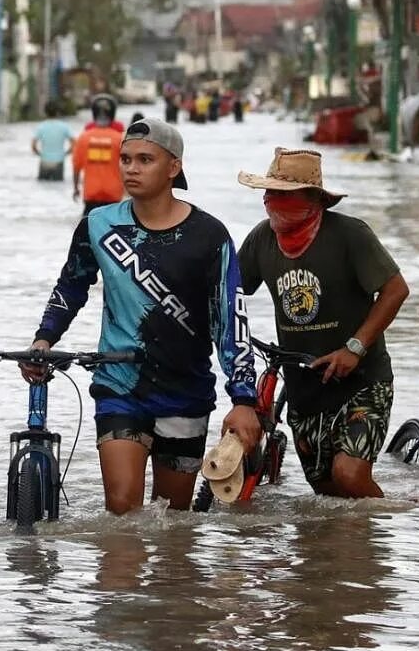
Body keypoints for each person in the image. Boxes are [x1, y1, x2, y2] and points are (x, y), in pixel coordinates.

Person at [25, 116, 261, 515]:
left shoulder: (210, 236)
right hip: (120, 385)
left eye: (145, 160)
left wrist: (243, 397)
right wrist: (44, 339)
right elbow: (72, 285)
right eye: (126, 159)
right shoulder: (98, 225)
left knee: (173, 521)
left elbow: (230, 321)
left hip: (185, 391)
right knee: (122, 511)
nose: (131, 168)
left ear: (174, 168)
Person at [237, 148, 409, 498]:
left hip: (361, 379)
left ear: (313, 199)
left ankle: (389, 532)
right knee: (327, 495)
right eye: (268, 193)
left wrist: (355, 348)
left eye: (283, 194)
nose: (271, 201)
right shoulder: (261, 239)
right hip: (305, 386)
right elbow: (230, 293)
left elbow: (395, 290)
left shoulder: (349, 235)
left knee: (349, 476)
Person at [72, 105, 125, 215]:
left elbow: (76, 166)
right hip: (113, 194)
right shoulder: (119, 139)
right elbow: (127, 165)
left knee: (88, 228)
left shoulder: (83, 138)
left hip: (91, 193)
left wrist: (76, 188)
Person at [31, 102, 75, 181]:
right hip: (59, 162)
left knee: (43, 187)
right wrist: (66, 153)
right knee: (58, 186)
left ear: (45, 112)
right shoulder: (64, 127)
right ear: (58, 112)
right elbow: (74, 143)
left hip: (44, 161)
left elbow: (33, 145)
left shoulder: (41, 126)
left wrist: (40, 154)